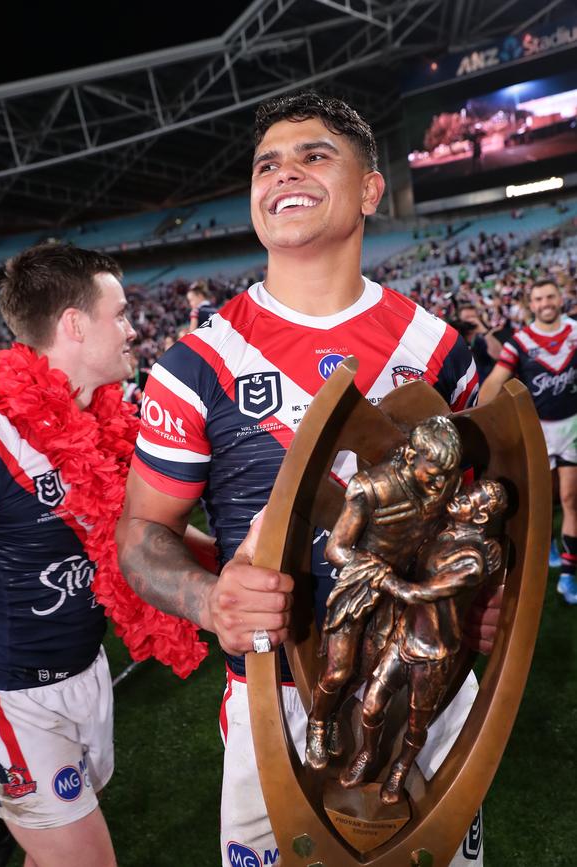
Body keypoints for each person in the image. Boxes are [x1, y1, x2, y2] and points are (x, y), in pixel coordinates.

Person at [117, 91, 489, 867]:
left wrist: (484, 600)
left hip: (429, 683)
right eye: (265, 164)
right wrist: (206, 597)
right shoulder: (198, 363)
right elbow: (140, 535)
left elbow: (480, 515)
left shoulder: (442, 349)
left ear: (369, 189)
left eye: (314, 154)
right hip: (273, 698)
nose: (282, 171)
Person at [0, 243, 139, 867]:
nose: (132, 329)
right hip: (10, 697)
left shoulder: (108, 424)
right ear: (74, 325)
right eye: (120, 314)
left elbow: (145, 541)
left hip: (88, 673)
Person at [306, 417, 462, 771]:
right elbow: (337, 549)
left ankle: (336, 716)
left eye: (446, 475)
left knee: (367, 667)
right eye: (433, 472)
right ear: (409, 456)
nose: (440, 483)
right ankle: (317, 723)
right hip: (359, 589)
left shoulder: (443, 484)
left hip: (399, 595)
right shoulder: (370, 488)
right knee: (337, 670)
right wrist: (380, 574)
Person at [348, 480, 506, 804]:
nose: (458, 497)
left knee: (417, 724)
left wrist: (389, 582)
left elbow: (429, 590)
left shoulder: (472, 559)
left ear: (478, 518)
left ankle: (400, 767)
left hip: (435, 653)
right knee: (372, 704)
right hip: (404, 636)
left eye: (466, 499)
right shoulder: (438, 532)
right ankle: (368, 752)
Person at [479, 279, 577, 602]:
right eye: (538, 298)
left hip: (573, 428)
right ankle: (548, 544)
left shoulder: (575, 331)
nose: (545, 302)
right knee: (545, 500)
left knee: (570, 499)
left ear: (560, 298)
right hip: (540, 432)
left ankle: (567, 574)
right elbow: (496, 380)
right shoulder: (519, 342)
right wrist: (476, 416)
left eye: (550, 296)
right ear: (530, 305)